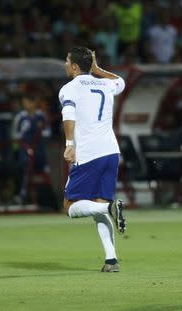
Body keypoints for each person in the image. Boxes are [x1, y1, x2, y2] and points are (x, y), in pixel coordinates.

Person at [59, 46, 126, 272]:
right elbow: (121, 81)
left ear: (75, 66)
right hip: (111, 152)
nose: (65, 64)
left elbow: (68, 114)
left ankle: (109, 207)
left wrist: (69, 145)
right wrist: (97, 69)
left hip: (88, 153)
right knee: (97, 204)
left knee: (69, 206)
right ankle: (111, 260)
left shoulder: (68, 88)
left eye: (67, 61)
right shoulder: (105, 84)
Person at [12, 94, 51, 203]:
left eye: (27, 102)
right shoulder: (20, 117)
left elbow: (48, 132)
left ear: (34, 103)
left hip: (40, 150)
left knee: (45, 171)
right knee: (24, 169)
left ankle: (47, 197)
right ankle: (22, 195)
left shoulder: (42, 116)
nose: (25, 105)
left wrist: (40, 131)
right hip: (25, 150)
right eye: (24, 102)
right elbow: (15, 135)